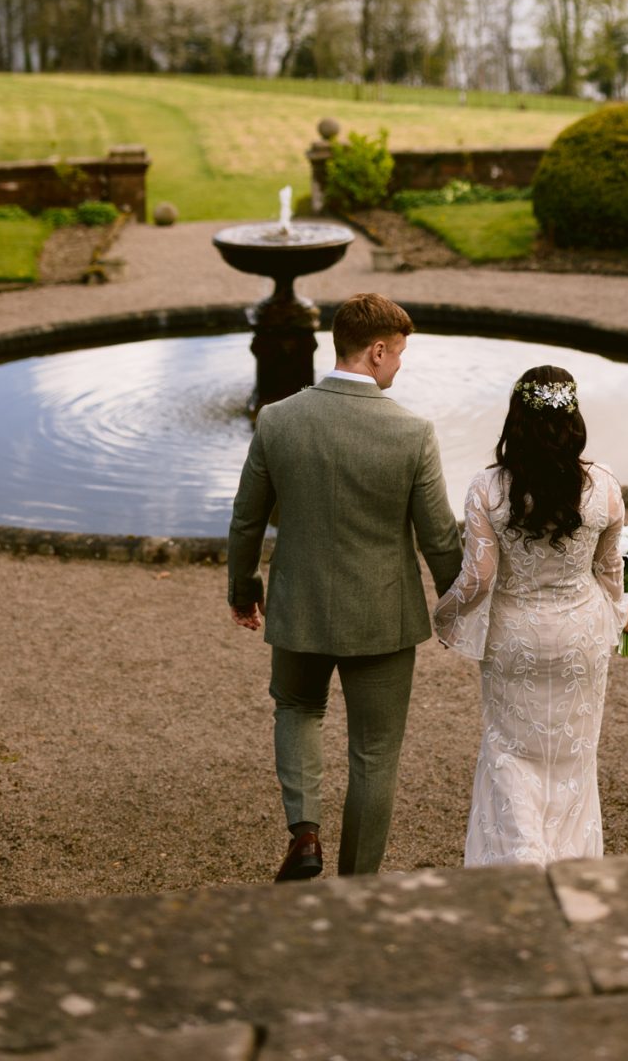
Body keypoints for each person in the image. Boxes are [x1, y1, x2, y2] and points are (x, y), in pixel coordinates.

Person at [228, 291, 463, 883]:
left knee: (298, 708)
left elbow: (246, 518)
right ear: (378, 350)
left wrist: (244, 587)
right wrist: (460, 607)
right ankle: (358, 887)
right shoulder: (412, 432)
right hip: (383, 617)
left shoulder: (278, 419)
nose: (401, 365)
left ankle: (304, 833)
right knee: (374, 755)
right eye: (400, 353)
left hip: (299, 606)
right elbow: (438, 538)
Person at [433, 364, 628, 867]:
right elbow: (610, 572)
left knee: (510, 753)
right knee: (573, 757)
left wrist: (444, 616)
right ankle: (570, 868)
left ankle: (520, 856)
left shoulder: (487, 489)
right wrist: (622, 614)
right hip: (581, 638)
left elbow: (479, 578)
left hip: (514, 638)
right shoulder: (605, 486)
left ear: (516, 421)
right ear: (573, 420)